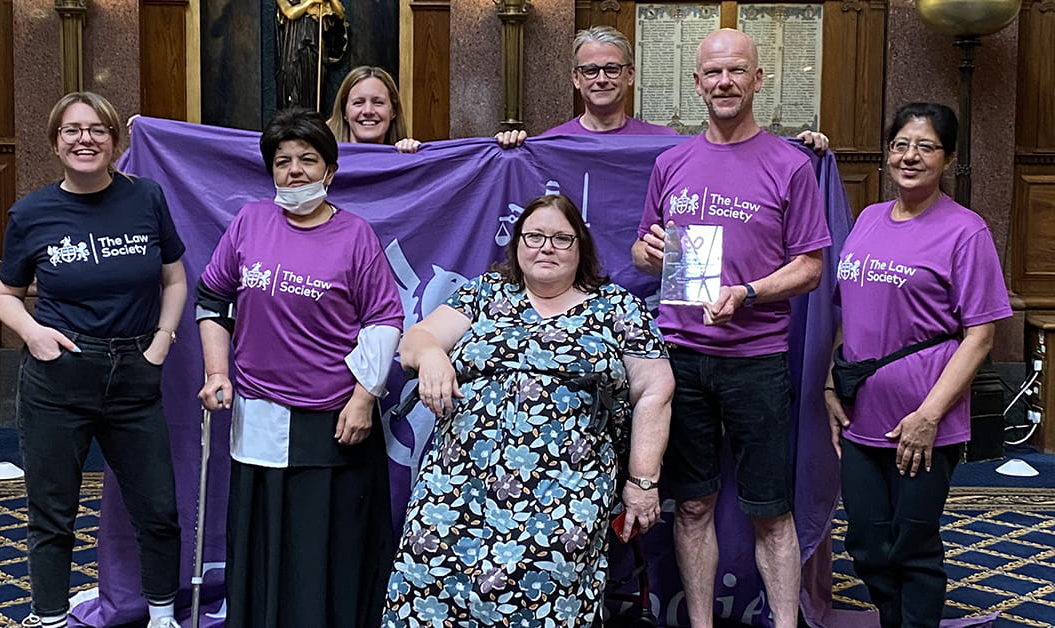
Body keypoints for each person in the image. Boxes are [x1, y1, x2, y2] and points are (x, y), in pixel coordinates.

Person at [383, 194, 673, 627]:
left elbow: (655, 389)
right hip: (458, 485)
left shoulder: (617, 307)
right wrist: (432, 358)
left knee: (548, 591)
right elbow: (414, 341)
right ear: (517, 244)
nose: (546, 247)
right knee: (429, 583)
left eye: (561, 238)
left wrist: (642, 482)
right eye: (534, 236)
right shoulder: (484, 294)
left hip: (567, 491)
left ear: (581, 247)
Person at [631, 29, 831, 628]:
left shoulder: (790, 164)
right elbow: (644, 252)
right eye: (713, 73)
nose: (724, 83)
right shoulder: (671, 162)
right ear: (697, 83)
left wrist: (748, 293)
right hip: (681, 359)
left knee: (770, 510)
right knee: (692, 505)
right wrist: (651, 252)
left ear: (757, 80)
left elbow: (812, 267)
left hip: (757, 357)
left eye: (736, 71)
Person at [195, 107, 403, 628]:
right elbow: (212, 298)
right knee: (263, 540)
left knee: (322, 545)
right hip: (259, 413)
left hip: (334, 418)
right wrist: (217, 373)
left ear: (330, 171)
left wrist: (362, 399)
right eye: (283, 161)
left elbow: (383, 321)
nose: (294, 171)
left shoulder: (356, 235)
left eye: (308, 160)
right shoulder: (249, 222)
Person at [0, 92, 185, 628]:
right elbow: (5, 295)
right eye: (73, 130)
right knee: (51, 514)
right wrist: (34, 336)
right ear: (55, 141)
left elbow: (174, 276)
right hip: (59, 376)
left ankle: (164, 616)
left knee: (159, 511)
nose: (85, 139)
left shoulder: (146, 197)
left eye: (98, 129)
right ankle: (50, 617)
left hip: (135, 373)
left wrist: (163, 340)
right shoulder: (30, 213)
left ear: (114, 141)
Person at [825, 103, 1011, 628]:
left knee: (913, 544)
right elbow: (847, 310)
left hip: (925, 423)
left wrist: (929, 416)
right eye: (901, 144)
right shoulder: (867, 220)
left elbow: (980, 336)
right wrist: (827, 382)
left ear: (948, 159)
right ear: (887, 154)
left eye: (926, 147)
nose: (910, 156)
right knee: (866, 541)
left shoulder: (965, 232)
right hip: (862, 416)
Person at [494, 25, 829, 153]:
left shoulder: (664, 142)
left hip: (648, 286)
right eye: (590, 70)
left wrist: (804, 146)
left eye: (612, 68)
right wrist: (510, 149)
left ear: (630, 75)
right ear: (575, 78)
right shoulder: (551, 145)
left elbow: (725, 152)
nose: (601, 79)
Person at [327, 66, 421, 153]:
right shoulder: (324, 160)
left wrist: (413, 156)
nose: (368, 111)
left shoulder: (406, 158)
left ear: (393, 111)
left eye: (378, 103)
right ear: (344, 112)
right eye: (358, 103)